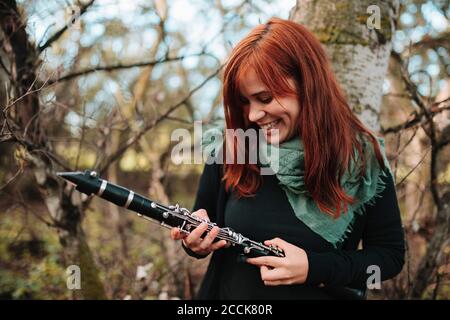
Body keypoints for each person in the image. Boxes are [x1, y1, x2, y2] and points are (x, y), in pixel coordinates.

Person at [170, 17, 405, 299]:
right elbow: (203, 221)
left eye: (265, 98)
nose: (253, 115)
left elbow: (388, 259)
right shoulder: (233, 148)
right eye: (245, 102)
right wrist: (195, 244)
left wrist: (314, 268)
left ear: (308, 84)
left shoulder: (364, 160)